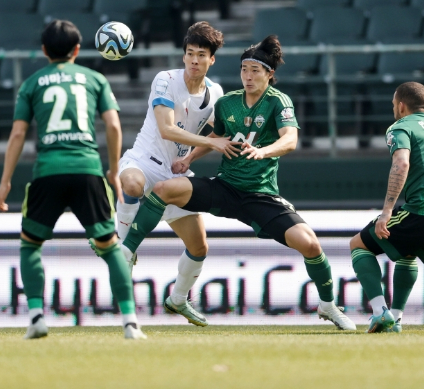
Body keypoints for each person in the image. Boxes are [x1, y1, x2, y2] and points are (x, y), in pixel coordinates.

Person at [121, 35, 357, 331]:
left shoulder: (278, 102)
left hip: (260, 195)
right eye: (244, 69)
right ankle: (126, 251)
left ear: (270, 75)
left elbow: (290, 139)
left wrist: (264, 151)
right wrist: (189, 160)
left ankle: (328, 305)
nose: (248, 76)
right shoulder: (227, 103)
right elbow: (215, 139)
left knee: (309, 244)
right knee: (165, 189)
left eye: (255, 71)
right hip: (226, 187)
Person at [0, 20, 145, 340]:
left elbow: (19, 132)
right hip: (87, 170)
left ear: (44, 51)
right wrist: (114, 170)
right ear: (77, 50)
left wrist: (5, 181)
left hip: (48, 171)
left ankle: (36, 316)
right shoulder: (95, 79)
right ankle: (130, 321)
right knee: (109, 246)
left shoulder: (32, 83)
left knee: (30, 245)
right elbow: (114, 127)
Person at [101, 21, 236, 327]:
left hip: (174, 176)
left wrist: (190, 157)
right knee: (132, 184)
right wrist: (211, 143)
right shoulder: (165, 80)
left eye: (201, 55)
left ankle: (178, 299)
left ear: (211, 59)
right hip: (143, 162)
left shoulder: (215, 93)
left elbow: (217, 132)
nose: (193, 60)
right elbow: (166, 128)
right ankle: (123, 249)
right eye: (189, 53)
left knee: (199, 246)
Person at [349, 82, 424, 333]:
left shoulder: (400, 127)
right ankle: (396, 319)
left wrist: (387, 211)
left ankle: (380, 312)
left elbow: (401, 165)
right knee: (407, 251)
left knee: (358, 244)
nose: (393, 109)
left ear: (401, 105)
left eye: (393, 104)